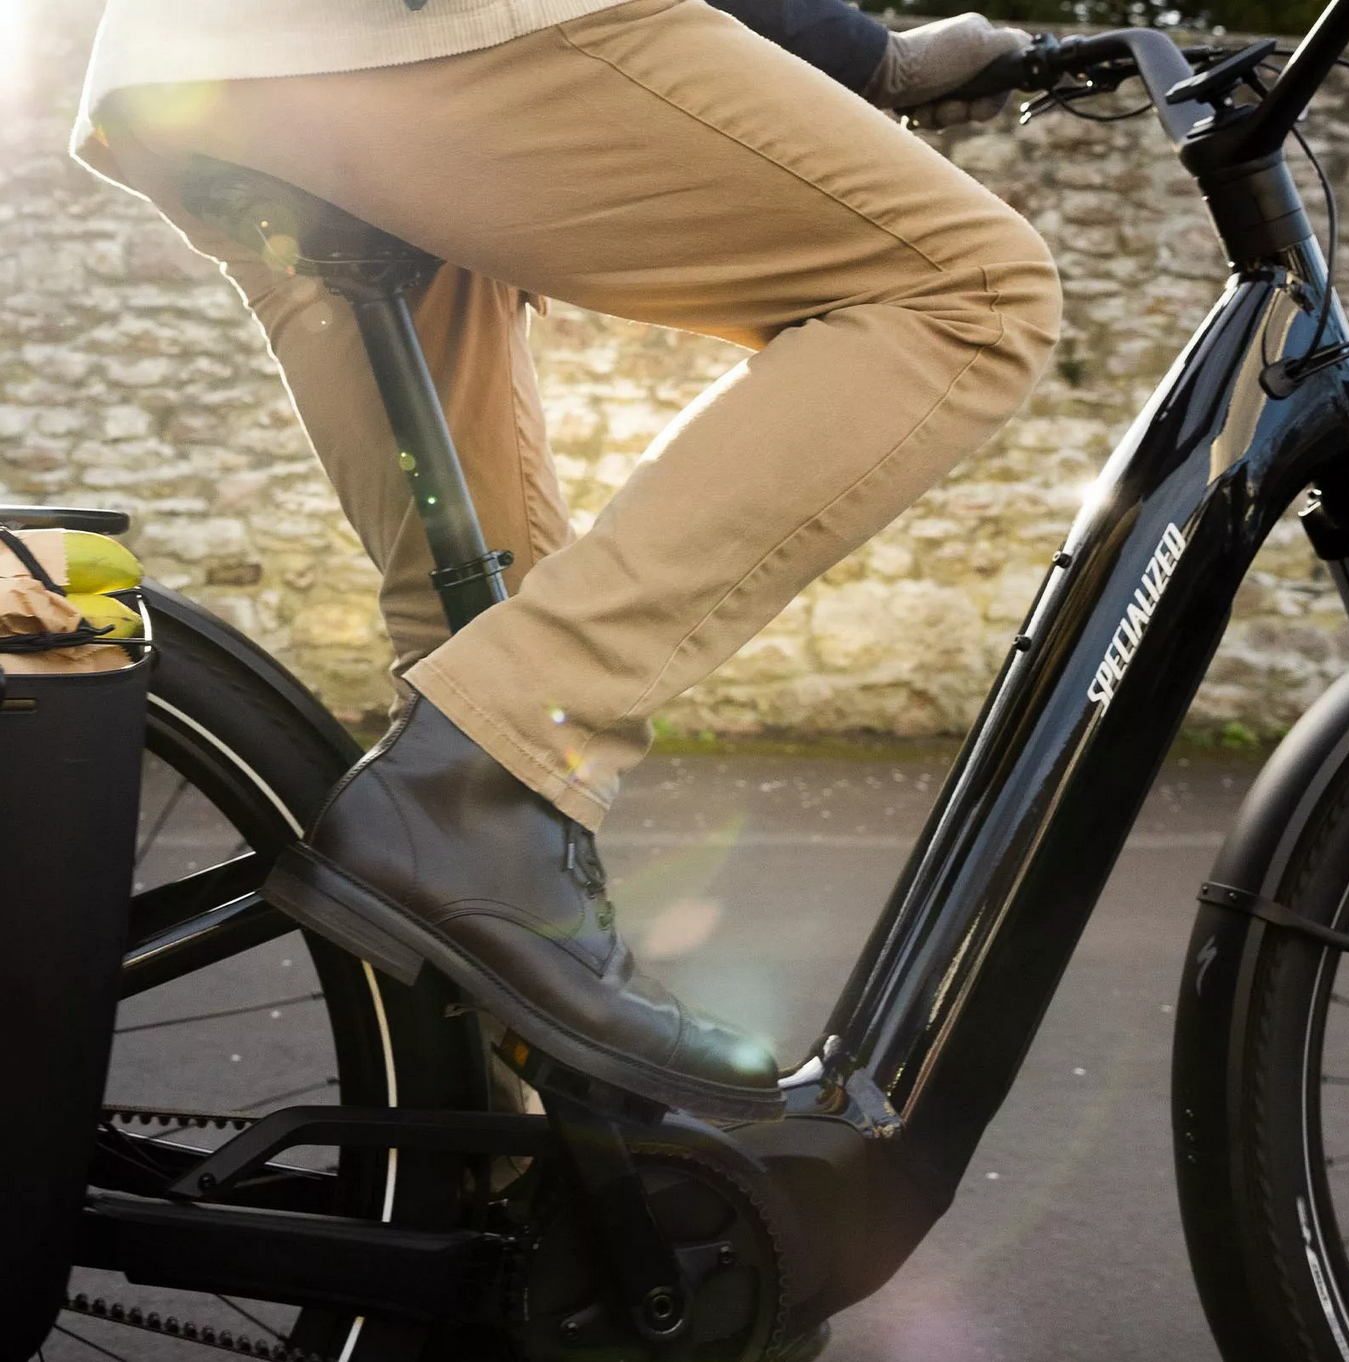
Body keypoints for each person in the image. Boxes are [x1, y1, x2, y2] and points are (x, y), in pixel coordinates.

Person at [73, 0, 1061, 1122]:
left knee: (483, 631)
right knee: (970, 291)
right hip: (406, 31)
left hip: (198, 73)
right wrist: (861, 51)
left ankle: (514, 1210)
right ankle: (468, 789)